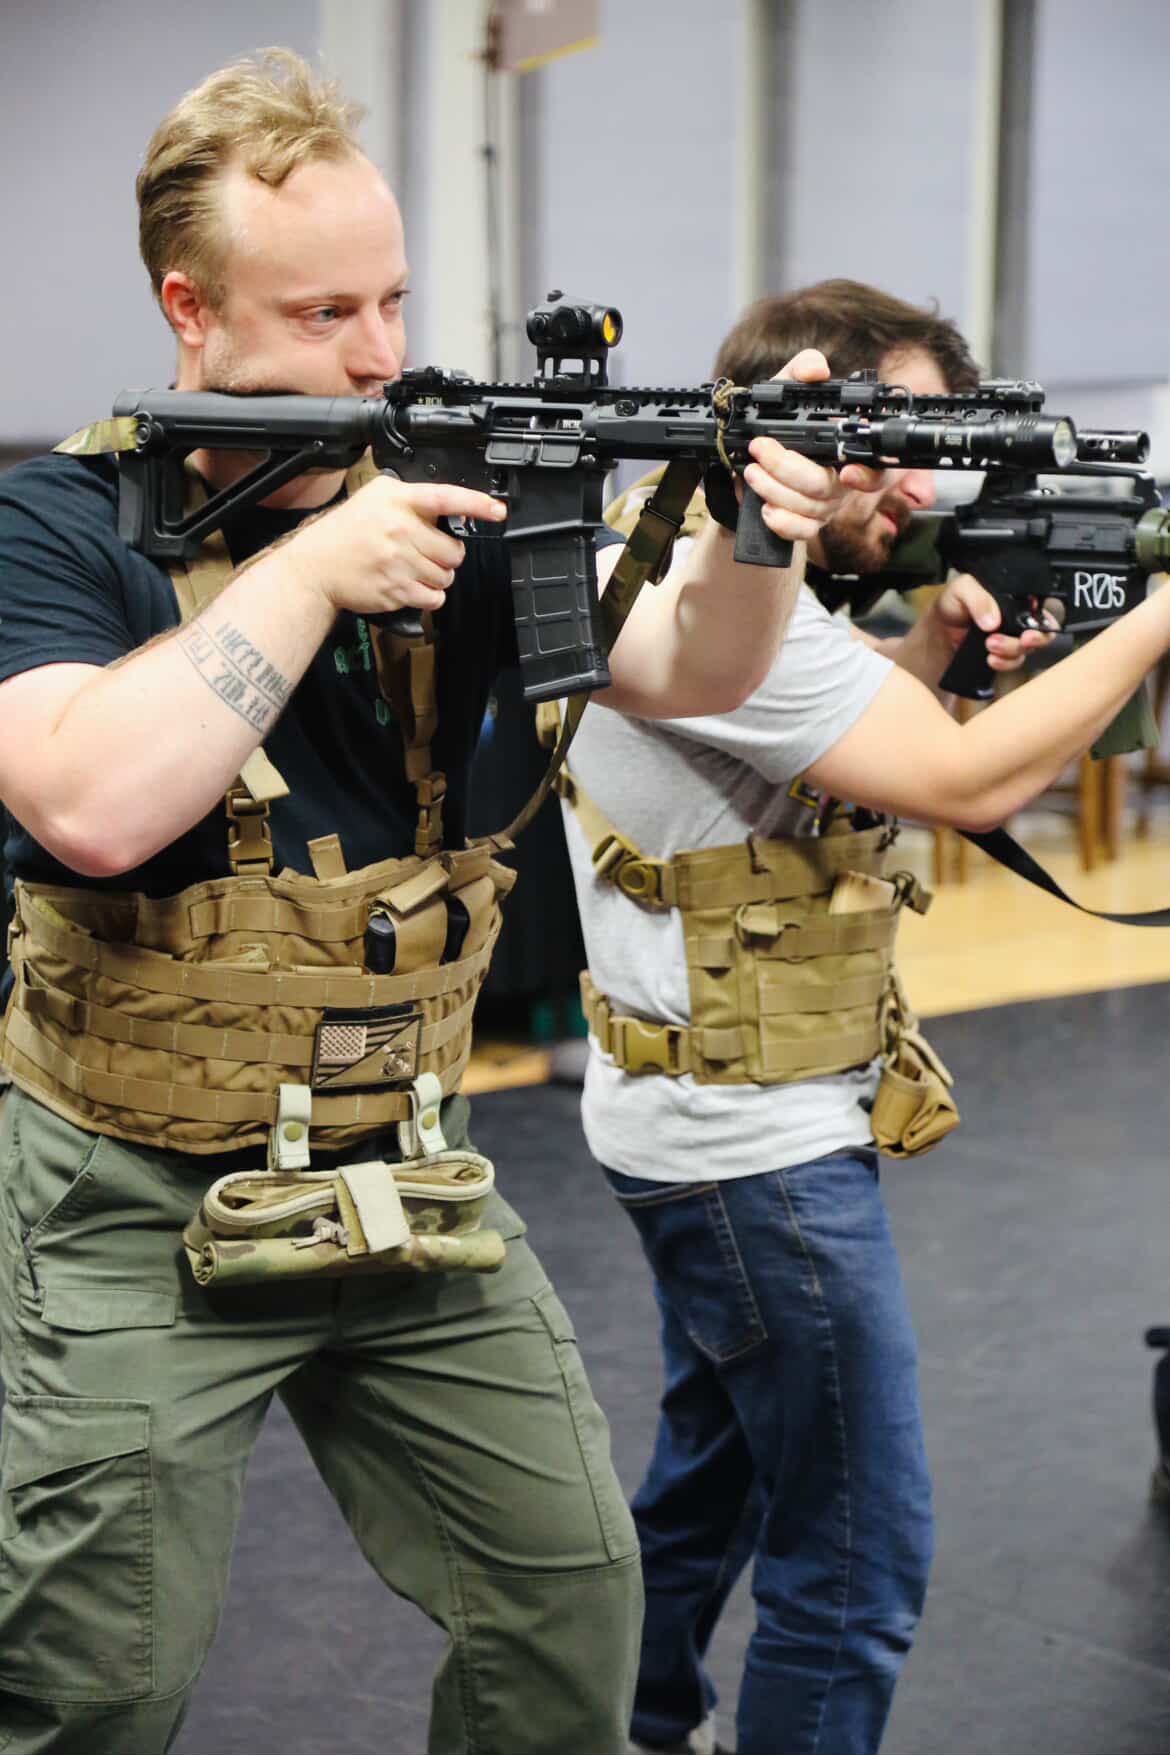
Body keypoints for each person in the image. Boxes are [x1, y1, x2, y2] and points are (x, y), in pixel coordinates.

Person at [0, 56, 877, 1755]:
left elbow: (692, 669)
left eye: (392, 301)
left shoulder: (450, 501)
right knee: (96, 1685)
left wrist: (756, 533)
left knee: (568, 1604)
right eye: (322, 313)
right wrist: (311, 572)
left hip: (404, 1175)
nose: (377, 355)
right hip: (132, 1195)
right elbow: (89, 806)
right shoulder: (57, 519)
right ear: (190, 311)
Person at [559, 278, 1170, 1755]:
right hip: (750, 1151)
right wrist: (1159, 620)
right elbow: (963, 784)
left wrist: (930, 656)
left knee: (717, 1472)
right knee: (855, 1561)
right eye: (888, 443)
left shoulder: (687, 559)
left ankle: (635, 1720)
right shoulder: (731, 607)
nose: (914, 487)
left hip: (697, 1117)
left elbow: (809, 759)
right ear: (794, 416)